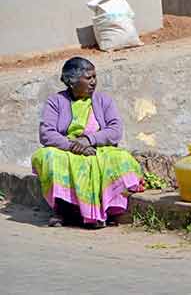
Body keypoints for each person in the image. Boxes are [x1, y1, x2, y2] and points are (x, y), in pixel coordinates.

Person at [32, 57, 143, 228]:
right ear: (72, 81)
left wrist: (88, 140)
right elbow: (47, 133)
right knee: (47, 156)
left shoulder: (104, 101)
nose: (93, 82)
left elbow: (115, 130)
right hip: (67, 150)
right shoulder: (55, 102)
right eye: (88, 78)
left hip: (98, 149)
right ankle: (62, 210)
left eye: (94, 77)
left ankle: (105, 210)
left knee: (122, 159)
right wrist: (73, 146)